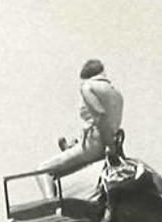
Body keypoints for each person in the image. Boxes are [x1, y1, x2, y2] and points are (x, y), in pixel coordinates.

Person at [36, 59, 124, 198]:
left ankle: (51, 207)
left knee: (42, 171)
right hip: (107, 139)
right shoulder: (116, 92)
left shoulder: (87, 87)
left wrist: (109, 146)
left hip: (95, 143)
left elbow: (99, 116)